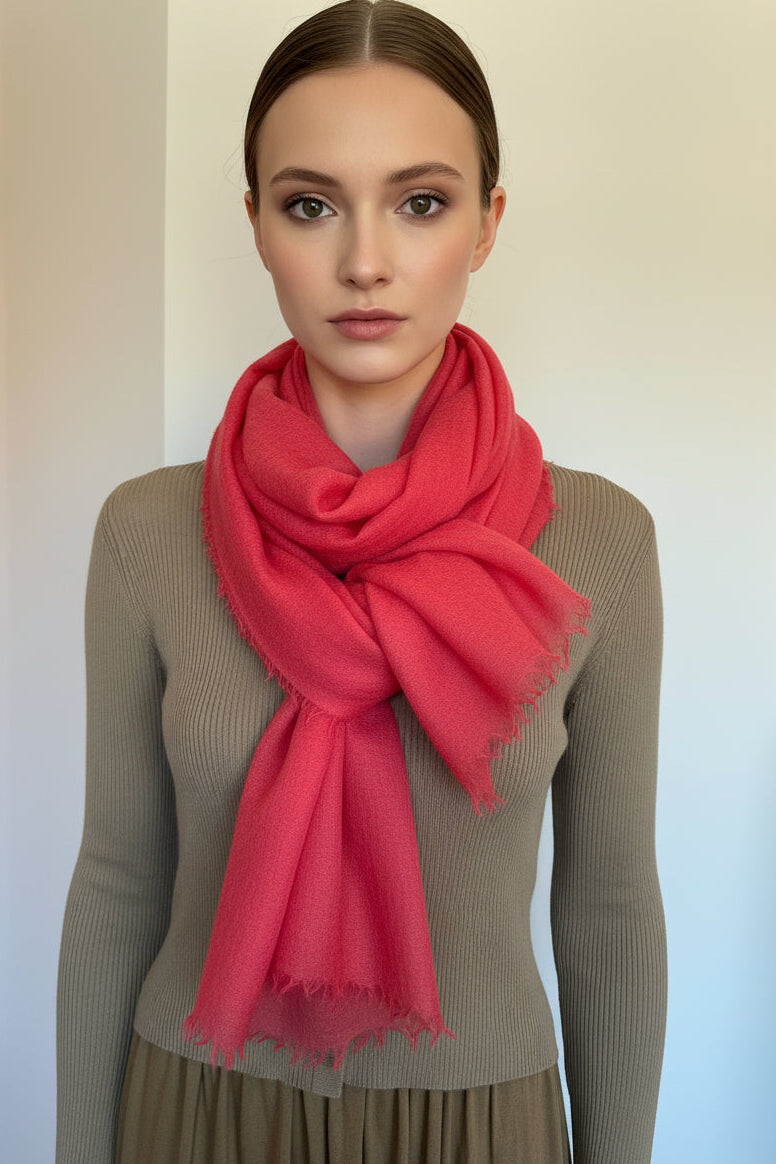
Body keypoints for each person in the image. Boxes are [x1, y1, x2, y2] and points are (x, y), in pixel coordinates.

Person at [56, 1, 667, 1161]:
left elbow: (609, 904)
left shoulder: (600, 541)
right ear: (253, 224)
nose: (365, 261)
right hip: (196, 1113)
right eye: (309, 205)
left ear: (486, 224)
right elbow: (118, 878)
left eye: (420, 202)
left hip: (484, 1123)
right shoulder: (148, 532)